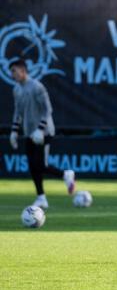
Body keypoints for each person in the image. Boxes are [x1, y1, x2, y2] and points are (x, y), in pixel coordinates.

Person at [9, 59, 75, 209]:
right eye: (11, 72)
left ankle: (66, 175)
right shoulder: (17, 90)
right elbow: (17, 112)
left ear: (23, 70)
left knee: (40, 164)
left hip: (44, 132)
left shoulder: (37, 87)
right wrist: (14, 131)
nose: (13, 75)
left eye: (14, 71)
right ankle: (41, 198)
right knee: (33, 166)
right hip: (29, 132)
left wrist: (40, 129)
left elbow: (48, 109)